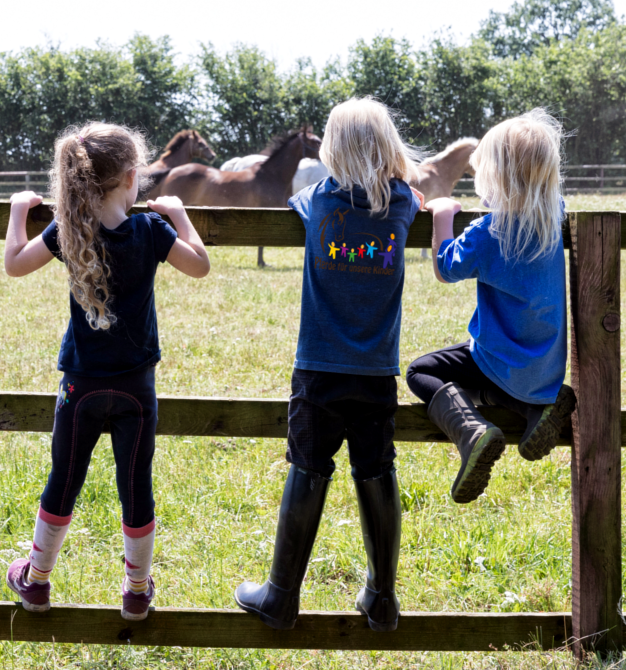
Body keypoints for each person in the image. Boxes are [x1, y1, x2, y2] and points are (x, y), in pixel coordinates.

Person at [3, 122, 210, 621]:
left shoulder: (68, 231)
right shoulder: (151, 230)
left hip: (82, 385)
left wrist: (16, 212)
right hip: (138, 388)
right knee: (136, 482)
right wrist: (181, 216)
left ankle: (36, 581)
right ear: (131, 177)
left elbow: (13, 263)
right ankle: (136, 592)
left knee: (65, 478)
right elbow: (200, 265)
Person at [235, 97, 423, 632]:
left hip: (318, 368)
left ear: (334, 150)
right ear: (388, 147)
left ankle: (281, 595)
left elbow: (296, 204)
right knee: (377, 467)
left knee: (308, 467)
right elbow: (411, 193)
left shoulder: (315, 200)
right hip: (376, 372)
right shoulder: (404, 203)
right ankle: (382, 599)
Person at [406, 108, 576, 505]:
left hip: (497, 360)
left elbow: (447, 268)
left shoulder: (488, 232)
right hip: (546, 367)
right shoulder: (554, 216)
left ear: (493, 176)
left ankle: (471, 432)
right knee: (479, 374)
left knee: (421, 372)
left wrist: (443, 216)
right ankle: (535, 409)